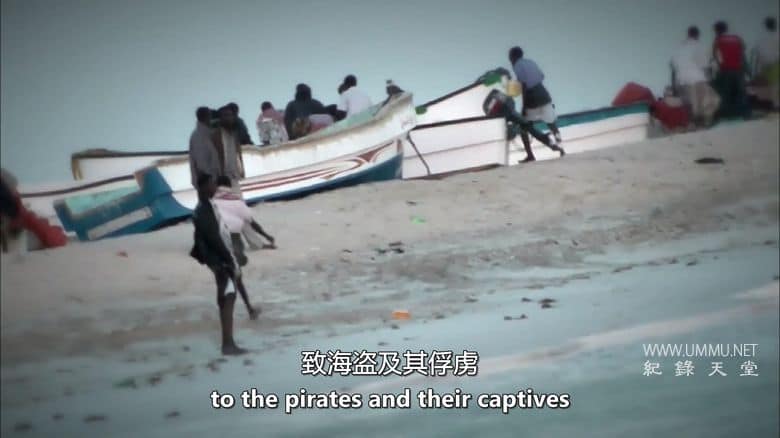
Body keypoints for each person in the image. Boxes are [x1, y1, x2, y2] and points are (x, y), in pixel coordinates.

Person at [189, 174, 248, 355]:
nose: (214, 187)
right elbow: (214, 238)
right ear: (203, 187)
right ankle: (228, 344)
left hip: (215, 258)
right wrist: (228, 259)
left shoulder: (204, 207)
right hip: (219, 260)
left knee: (226, 296)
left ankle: (228, 342)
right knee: (228, 297)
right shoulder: (204, 210)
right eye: (211, 184)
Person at [212, 175, 275, 319]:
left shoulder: (212, 202)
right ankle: (249, 310)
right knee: (237, 277)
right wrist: (267, 236)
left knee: (221, 278)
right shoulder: (236, 201)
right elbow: (252, 222)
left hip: (215, 241)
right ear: (229, 186)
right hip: (232, 240)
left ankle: (224, 310)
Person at [507, 47, 565, 162]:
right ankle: (562, 149)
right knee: (552, 125)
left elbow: (524, 85)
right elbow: (542, 76)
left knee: (524, 126)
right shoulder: (530, 62)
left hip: (532, 97)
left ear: (513, 57)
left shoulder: (517, 66)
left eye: (510, 58)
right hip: (543, 94)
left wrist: (524, 106)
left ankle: (530, 155)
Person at [671, 26, 721, 127]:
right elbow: (705, 65)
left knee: (691, 104)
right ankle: (707, 121)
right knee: (713, 99)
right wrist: (711, 77)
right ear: (697, 35)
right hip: (696, 79)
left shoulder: (679, 47)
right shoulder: (698, 45)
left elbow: (673, 66)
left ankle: (693, 123)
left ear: (688, 34)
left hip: (681, 81)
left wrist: (674, 85)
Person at [712, 21, 750, 119]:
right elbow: (743, 52)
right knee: (741, 92)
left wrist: (720, 67)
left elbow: (716, 56)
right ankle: (746, 114)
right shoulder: (737, 38)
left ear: (717, 30)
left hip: (726, 70)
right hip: (739, 69)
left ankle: (728, 114)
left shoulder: (718, 40)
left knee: (726, 93)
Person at [212, 105, 245, 193]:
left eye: (230, 115)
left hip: (235, 176)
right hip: (224, 178)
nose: (229, 118)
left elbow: (238, 153)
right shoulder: (216, 135)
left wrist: (241, 170)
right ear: (221, 118)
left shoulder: (234, 133)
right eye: (226, 115)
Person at [189, 107, 221, 189]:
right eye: (210, 116)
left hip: (212, 179)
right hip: (209, 181)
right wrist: (213, 177)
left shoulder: (207, 133)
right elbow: (202, 160)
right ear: (206, 117)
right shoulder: (199, 136)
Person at [752, 17, 779, 109]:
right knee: (775, 84)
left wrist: (758, 66)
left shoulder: (761, 38)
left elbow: (758, 52)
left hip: (764, 63)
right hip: (776, 63)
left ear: (766, 25)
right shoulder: (777, 36)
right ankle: (776, 105)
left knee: (766, 84)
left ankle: (766, 103)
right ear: (775, 25)